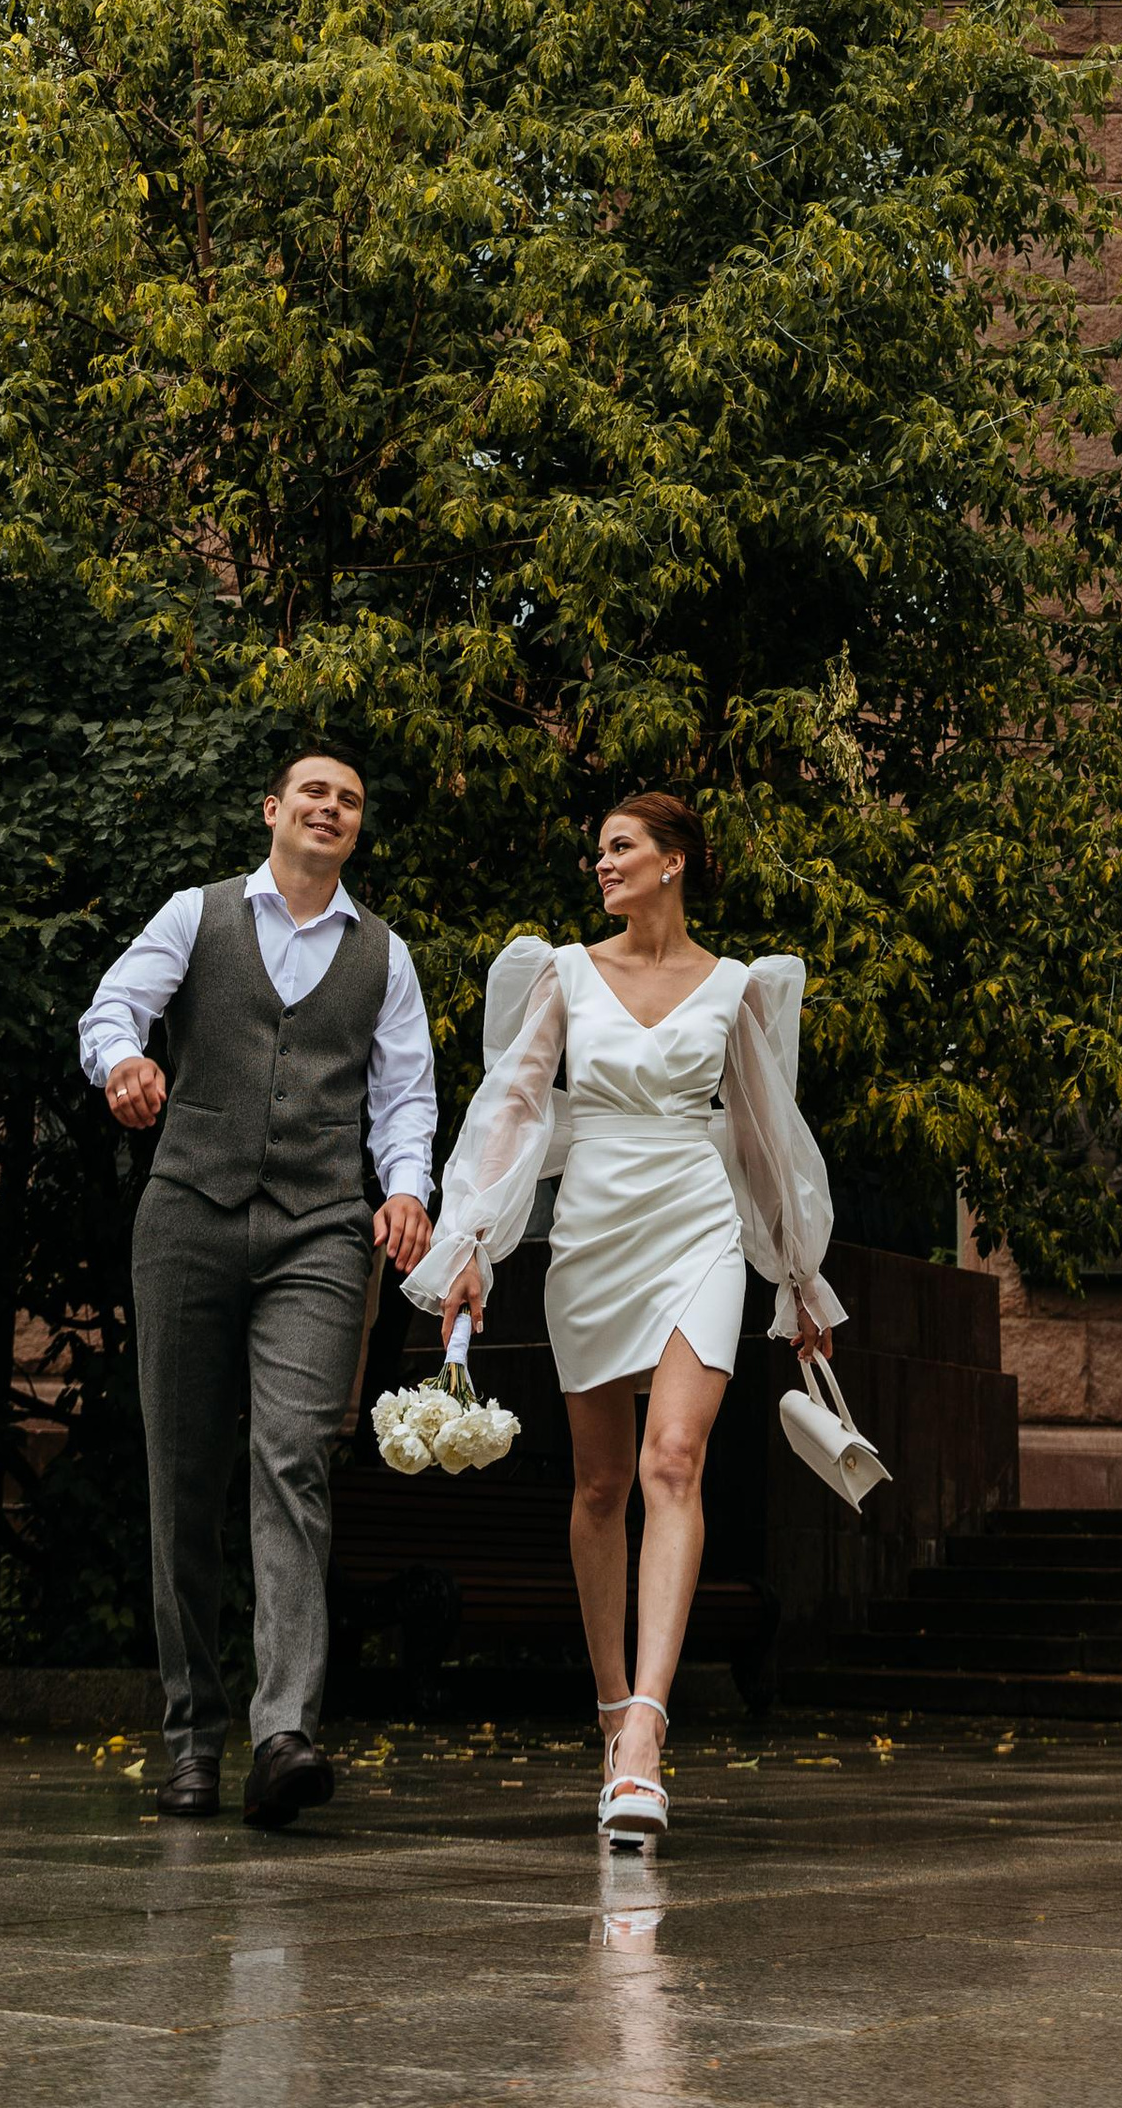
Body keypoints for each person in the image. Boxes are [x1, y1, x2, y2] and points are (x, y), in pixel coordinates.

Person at [406, 789, 840, 1845]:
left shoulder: (735, 987)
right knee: (601, 1482)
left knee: (672, 1463)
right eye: (599, 850)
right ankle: (610, 1711)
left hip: (694, 1222)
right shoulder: (560, 972)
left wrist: (792, 1277)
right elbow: (511, 1109)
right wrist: (469, 1248)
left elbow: (763, 1137)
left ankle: (647, 1734)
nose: (602, 865)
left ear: (674, 861)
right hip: (594, 1227)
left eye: (620, 848)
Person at [79, 749, 437, 1829]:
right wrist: (123, 1067)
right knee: (182, 1475)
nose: (331, 807)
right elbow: (113, 1008)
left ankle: (283, 1733)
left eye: (352, 799)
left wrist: (408, 1190)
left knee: (292, 1461)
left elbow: (406, 1095)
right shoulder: (197, 915)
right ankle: (191, 1736)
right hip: (187, 1211)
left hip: (322, 1231)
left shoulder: (384, 956)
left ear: (356, 830)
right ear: (274, 811)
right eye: (314, 793)